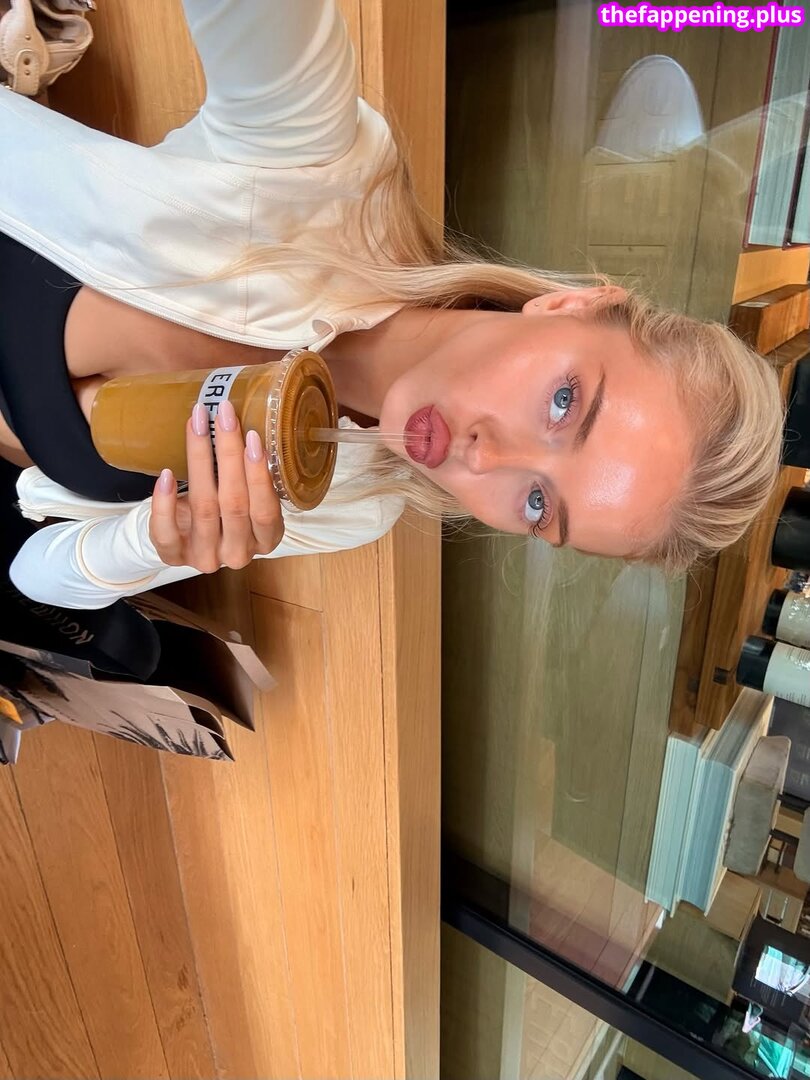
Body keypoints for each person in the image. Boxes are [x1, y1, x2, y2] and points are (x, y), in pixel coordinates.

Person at [0, 0, 784, 611]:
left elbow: (36, 573)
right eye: (564, 402)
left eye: (538, 503)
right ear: (571, 307)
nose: (485, 458)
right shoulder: (317, 170)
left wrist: (154, 542)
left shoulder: (347, 496)